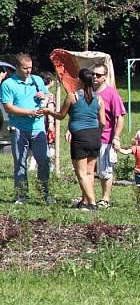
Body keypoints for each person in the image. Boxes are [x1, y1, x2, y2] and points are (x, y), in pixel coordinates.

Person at [46, 68, 106, 210]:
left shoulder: (72, 96)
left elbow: (61, 115)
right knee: (90, 172)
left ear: (79, 80)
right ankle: (84, 201)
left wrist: (48, 111)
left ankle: (91, 203)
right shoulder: (99, 98)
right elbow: (103, 122)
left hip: (80, 137)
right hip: (95, 136)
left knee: (81, 173)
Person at [0, 53, 53, 204]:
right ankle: (21, 195)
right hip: (19, 128)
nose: (29, 71)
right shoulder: (8, 84)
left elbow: (49, 96)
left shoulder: (36, 80)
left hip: (38, 128)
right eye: (25, 68)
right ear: (17, 67)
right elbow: (8, 107)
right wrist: (29, 112)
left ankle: (44, 193)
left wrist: (45, 96)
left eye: (30, 67)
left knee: (44, 160)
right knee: (20, 162)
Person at [91, 62, 127, 209]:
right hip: (88, 136)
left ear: (105, 77)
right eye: (93, 74)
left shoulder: (111, 94)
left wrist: (116, 137)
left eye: (98, 75)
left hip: (105, 138)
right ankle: (87, 196)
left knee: (105, 170)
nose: (94, 77)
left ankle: (105, 198)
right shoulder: (87, 91)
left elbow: (120, 117)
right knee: (88, 170)